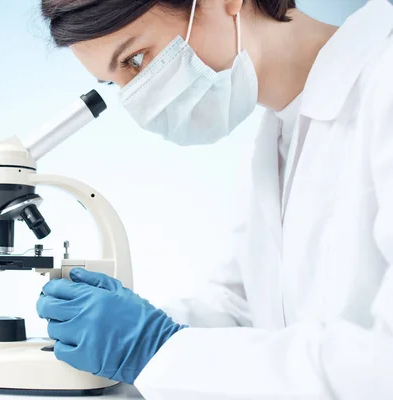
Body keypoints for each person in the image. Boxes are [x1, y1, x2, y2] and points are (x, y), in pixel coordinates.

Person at [36, 0, 393, 398]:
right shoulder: (275, 137)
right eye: (115, 84)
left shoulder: (385, 84)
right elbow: (250, 314)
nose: (139, 102)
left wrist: (155, 349)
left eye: (136, 60)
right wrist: (136, 331)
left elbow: (383, 364)